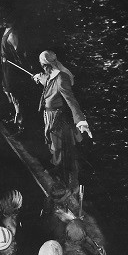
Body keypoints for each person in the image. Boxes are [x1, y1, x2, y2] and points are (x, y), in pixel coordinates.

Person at [33, 50, 93, 190]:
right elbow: (48, 84)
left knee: (63, 150)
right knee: (55, 147)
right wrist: (38, 78)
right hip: (51, 119)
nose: (42, 68)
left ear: (45, 64)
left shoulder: (61, 78)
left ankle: (70, 184)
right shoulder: (50, 75)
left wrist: (81, 122)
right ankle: (59, 172)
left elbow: (71, 100)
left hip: (59, 121)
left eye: (42, 65)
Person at [0, 7, 27, 132]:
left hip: (12, 69)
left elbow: (20, 54)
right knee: (8, 91)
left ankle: (21, 126)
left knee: (15, 95)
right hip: (6, 67)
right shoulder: (7, 29)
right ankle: (15, 118)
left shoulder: (12, 34)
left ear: (4, 20)